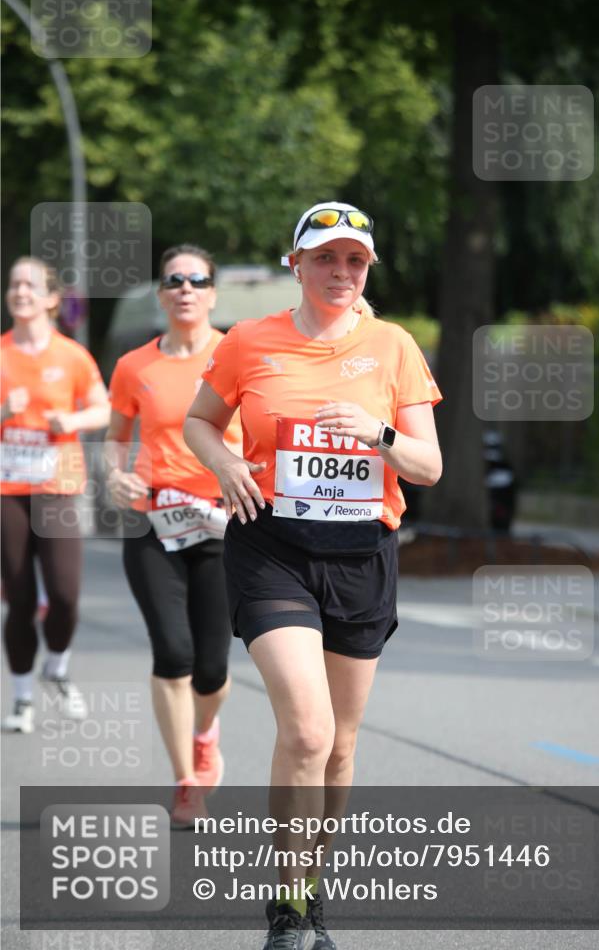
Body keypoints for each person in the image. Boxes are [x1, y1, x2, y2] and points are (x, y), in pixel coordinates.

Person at [184, 202, 442, 949]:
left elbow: (428, 466)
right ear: (295, 264)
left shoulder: (393, 347)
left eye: (353, 261)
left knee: (339, 745)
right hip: (271, 550)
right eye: (325, 258)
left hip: (362, 554)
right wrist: (226, 460)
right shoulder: (248, 341)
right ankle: (290, 908)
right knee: (306, 729)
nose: (340, 272)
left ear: (367, 270)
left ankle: (312, 889)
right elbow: (201, 420)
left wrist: (381, 434)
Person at [105, 244, 241, 827]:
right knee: (173, 652)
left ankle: (206, 733)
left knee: (212, 666)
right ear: (161, 293)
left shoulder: (236, 356)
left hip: (224, 519)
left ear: (212, 293)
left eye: (197, 279)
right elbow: (116, 438)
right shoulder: (135, 365)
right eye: (174, 280)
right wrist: (112, 474)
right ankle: (187, 781)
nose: (186, 288)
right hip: (152, 520)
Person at [1, 256, 110, 733]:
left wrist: (75, 421)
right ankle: (22, 697)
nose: (20, 291)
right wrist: (4, 409)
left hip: (60, 487)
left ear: (50, 299)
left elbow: (101, 408)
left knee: (66, 596)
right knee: (19, 598)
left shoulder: (71, 356)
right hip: (9, 490)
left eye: (30, 285)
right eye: (14, 285)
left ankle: (57, 667)